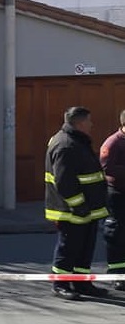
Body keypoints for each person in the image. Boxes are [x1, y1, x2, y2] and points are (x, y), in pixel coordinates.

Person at [44, 106, 109, 300]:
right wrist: (79, 205)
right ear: (80, 123)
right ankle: (60, 284)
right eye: (89, 121)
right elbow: (64, 182)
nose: (92, 124)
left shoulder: (76, 141)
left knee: (84, 248)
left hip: (86, 209)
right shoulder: (65, 145)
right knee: (69, 247)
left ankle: (81, 283)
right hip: (71, 210)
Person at [99, 110, 125, 291]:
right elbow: (107, 168)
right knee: (117, 234)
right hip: (118, 194)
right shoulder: (113, 143)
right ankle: (118, 274)